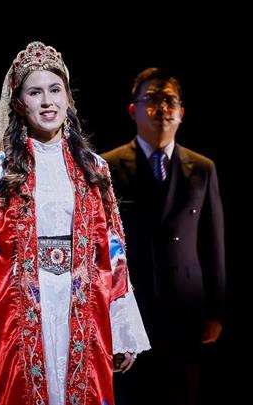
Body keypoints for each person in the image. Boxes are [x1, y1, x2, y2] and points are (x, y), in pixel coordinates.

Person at [0, 41, 150, 405]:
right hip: (18, 312)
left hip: (81, 306)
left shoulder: (94, 169)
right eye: (35, 92)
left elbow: (112, 251)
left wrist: (122, 328)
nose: (47, 101)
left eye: (55, 90)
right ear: (18, 104)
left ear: (68, 98)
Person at [102, 67, 226, 405]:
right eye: (152, 99)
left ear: (181, 111)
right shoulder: (107, 166)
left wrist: (216, 310)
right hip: (130, 305)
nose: (162, 108)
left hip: (185, 308)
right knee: (129, 395)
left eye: (170, 101)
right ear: (133, 110)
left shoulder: (202, 168)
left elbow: (213, 244)